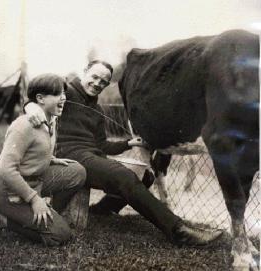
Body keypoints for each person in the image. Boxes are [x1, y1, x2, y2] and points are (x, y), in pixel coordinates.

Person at [25, 61, 222, 246]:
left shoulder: (97, 109)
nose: (97, 83)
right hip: (69, 156)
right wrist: (31, 107)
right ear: (85, 71)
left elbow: (102, 145)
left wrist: (129, 143)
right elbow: (36, 99)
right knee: (123, 176)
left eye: (103, 82)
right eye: (94, 77)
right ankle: (178, 230)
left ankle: (103, 210)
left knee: (145, 176)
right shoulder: (66, 91)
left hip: (91, 156)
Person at [0, 73, 86, 246]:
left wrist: (49, 158)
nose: (64, 98)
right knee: (61, 236)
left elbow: (37, 148)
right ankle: (5, 220)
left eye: (64, 93)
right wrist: (34, 200)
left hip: (36, 181)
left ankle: (47, 213)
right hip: (9, 192)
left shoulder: (51, 119)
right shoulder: (24, 125)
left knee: (77, 171)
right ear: (40, 98)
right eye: (57, 94)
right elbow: (6, 169)